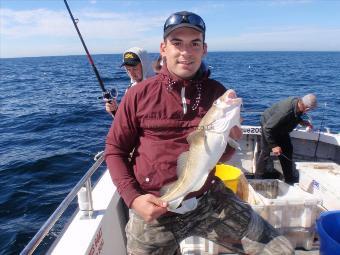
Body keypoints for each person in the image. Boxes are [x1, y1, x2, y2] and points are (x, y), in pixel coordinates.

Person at [105, 11, 293, 254]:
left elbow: (217, 156)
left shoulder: (216, 92)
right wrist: (133, 198)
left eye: (194, 43)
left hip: (208, 198)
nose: (186, 51)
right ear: (163, 48)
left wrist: (231, 141)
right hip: (156, 204)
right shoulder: (137, 95)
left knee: (280, 249)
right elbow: (114, 149)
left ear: (204, 49)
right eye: (177, 43)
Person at [255, 94, 317, 184]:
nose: (308, 112)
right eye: (310, 110)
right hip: (268, 126)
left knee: (287, 150)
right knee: (266, 152)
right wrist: (274, 146)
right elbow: (267, 128)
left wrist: (302, 122)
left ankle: (289, 180)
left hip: (281, 128)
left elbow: (294, 115)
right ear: (306, 108)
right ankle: (257, 179)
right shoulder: (285, 111)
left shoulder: (299, 104)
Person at [105, 47, 155, 114]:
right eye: (128, 69)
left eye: (135, 69)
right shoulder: (131, 87)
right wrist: (115, 110)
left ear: (144, 66)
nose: (131, 73)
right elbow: (126, 119)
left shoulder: (155, 89)